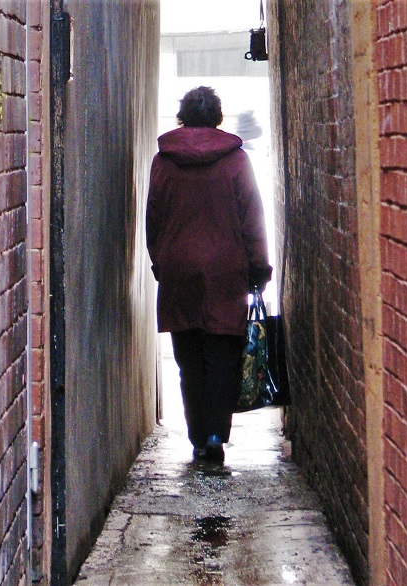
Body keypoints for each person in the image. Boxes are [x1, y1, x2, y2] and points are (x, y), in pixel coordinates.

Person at [146, 86, 272, 463]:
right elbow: (252, 219)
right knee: (222, 357)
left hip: (179, 271)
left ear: (182, 116)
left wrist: (160, 262)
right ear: (217, 117)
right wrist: (259, 269)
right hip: (225, 272)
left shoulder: (164, 162)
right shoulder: (235, 162)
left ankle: (198, 436)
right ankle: (217, 433)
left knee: (188, 360)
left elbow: (154, 217)